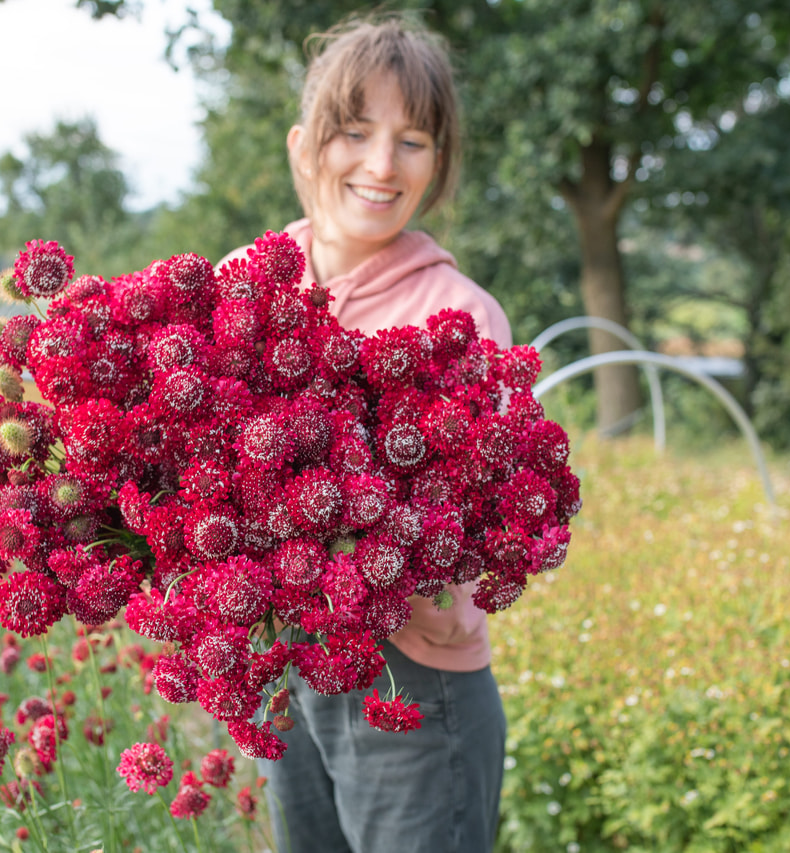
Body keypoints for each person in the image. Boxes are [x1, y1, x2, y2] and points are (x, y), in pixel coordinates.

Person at [223, 15, 512, 853]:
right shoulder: (241, 282)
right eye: (355, 132)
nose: (382, 165)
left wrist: (389, 570)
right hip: (284, 665)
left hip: (415, 682)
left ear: (440, 163)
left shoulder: (457, 316)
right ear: (302, 144)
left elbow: (484, 532)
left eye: (413, 140)